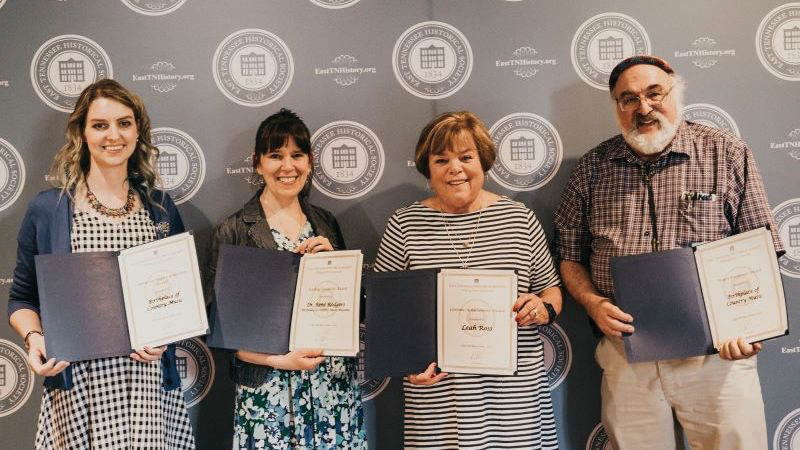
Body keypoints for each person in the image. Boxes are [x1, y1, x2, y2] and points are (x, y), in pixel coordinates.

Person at [554, 55, 784, 450]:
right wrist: (592, 303)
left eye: (654, 93)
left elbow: (761, 246)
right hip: (628, 355)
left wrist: (749, 326)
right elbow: (570, 257)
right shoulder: (591, 169)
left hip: (717, 357)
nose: (643, 108)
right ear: (616, 108)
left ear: (676, 93)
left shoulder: (726, 153)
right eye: (628, 99)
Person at [7, 79, 194, 449]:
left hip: (149, 388)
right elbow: (21, 299)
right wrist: (34, 340)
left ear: (138, 130)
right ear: (82, 132)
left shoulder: (160, 208)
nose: (114, 135)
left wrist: (167, 336)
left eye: (124, 123)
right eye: (100, 125)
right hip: (79, 389)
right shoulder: (49, 210)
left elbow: (181, 297)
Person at [373, 111, 563, 450]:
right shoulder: (405, 224)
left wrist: (543, 307)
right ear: (427, 169)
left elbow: (551, 289)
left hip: (514, 401)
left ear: (484, 161)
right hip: (438, 401)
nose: (455, 169)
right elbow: (384, 312)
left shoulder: (518, 218)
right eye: (441, 160)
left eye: (465, 157)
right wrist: (407, 367)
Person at [205, 108, 367, 450]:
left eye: (297, 155)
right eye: (275, 155)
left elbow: (349, 307)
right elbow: (218, 323)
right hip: (269, 390)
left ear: (309, 162)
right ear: (258, 162)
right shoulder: (233, 230)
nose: (287, 166)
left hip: (330, 384)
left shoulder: (325, 223)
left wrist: (333, 262)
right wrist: (280, 360)